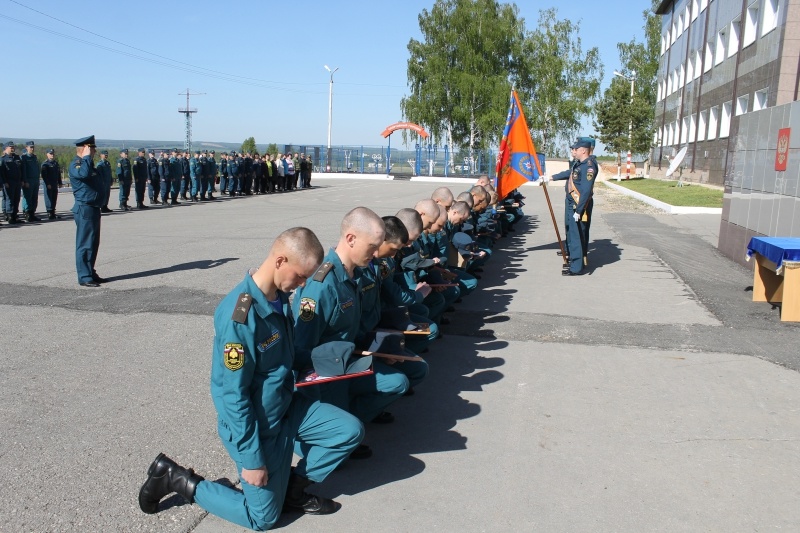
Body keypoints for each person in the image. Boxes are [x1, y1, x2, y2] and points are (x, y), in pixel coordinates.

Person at [138, 227, 363, 530]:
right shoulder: (239, 317)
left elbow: (287, 357)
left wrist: (336, 362)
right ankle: (176, 479)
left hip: (285, 410)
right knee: (263, 519)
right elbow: (233, 397)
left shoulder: (279, 298)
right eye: (300, 276)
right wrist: (252, 460)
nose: (303, 284)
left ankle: (292, 491)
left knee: (348, 430)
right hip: (260, 427)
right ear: (280, 260)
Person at [292, 207, 410, 454]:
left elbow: (353, 332)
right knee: (341, 452)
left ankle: (350, 418)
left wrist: (379, 350)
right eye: (372, 247)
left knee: (399, 381)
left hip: (348, 364)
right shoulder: (322, 285)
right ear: (351, 239)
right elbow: (302, 351)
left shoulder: (354, 274)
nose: (377, 253)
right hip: (326, 376)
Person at [546, 137, 598, 275]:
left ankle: (576, 267)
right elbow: (571, 174)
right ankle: (573, 259)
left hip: (579, 204)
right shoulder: (580, 164)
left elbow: (586, 191)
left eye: (575, 149)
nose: (573, 151)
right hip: (572, 202)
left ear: (583, 150)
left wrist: (579, 210)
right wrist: (552, 177)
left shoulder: (589, 166)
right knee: (570, 231)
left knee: (577, 235)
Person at [69, 135, 106, 287]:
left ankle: (90, 271)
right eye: (92, 149)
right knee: (85, 244)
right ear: (85, 149)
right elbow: (83, 175)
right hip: (84, 208)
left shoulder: (87, 164)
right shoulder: (78, 164)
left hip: (93, 207)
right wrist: (85, 157)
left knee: (93, 243)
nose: (94, 152)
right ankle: (84, 276)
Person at [1, 141, 23, 224]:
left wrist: (22, 180)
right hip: (9, 182)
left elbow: (21, 170)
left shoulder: (17, 158)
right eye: (11, 147)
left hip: (17, 181)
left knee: (16, 199)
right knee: (9, 199)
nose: (12, 148)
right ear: (6, 148)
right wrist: (4, 182)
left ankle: (14, 215)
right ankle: (9, 216)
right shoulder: (3, 159)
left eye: (13, 147)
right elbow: (2, 172)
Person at [20, 141, 41, 221]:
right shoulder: (24, 157)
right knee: (27, 197)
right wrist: (25, 181)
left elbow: (37, 169)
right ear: (26, 147)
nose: (32, 148)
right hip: (28, 180)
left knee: (34, 197)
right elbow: (23, 170)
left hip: (35, 180)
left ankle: (32, 213)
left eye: (33, 147)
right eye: (30, 147)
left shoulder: (34, 157)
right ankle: (27, 213)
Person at [40, 148, 62, 220]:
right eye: (50, 154)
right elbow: (44, 175)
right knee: (48, 198)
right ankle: (49, 212)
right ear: (47, 154)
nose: (52, 155)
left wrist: (60, 182)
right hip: (49, 184)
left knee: (54, 198)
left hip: (54, 183)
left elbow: (58, 173)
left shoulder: (55, 163)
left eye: (53, 153)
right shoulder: (45, 164)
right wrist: (47, 183)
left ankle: (53, 211)